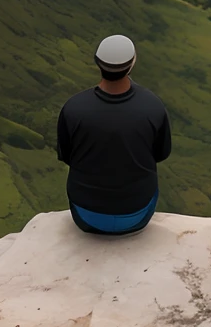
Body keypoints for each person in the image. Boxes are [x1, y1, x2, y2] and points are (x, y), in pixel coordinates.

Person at [56, 34, 171, 235]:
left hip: (85, 217)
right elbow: (161, 154)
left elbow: (66, 156)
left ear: (97, 62)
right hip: (138, 214)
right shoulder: (153, 106)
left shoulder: (73, 108)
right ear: (132, 64)